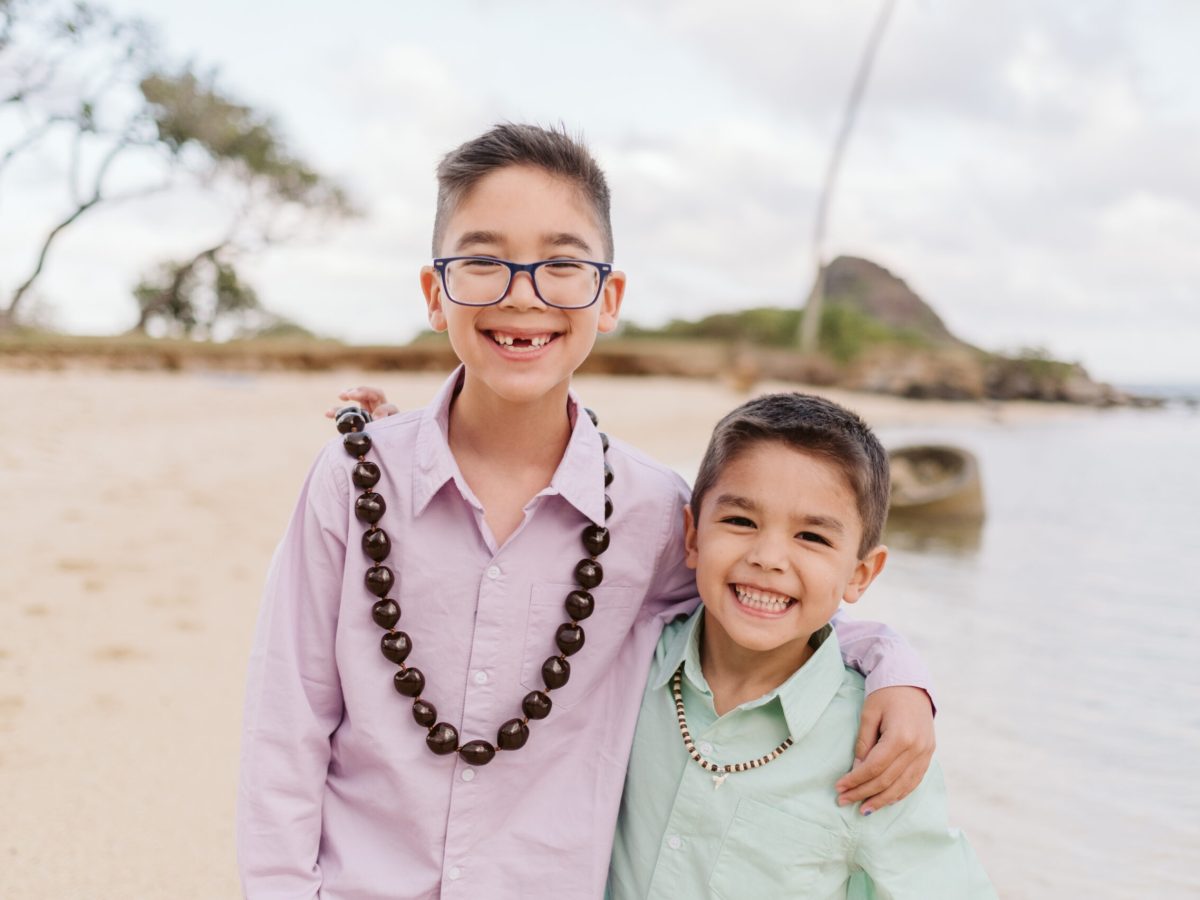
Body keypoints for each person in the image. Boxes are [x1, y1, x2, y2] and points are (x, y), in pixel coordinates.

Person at [238, 123, 936, 899]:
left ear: (609, 299)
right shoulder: (352, 481)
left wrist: (894, 669)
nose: (522, 293)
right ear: (437, 295)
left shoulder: (652, 514)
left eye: (562, 264)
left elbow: (767, 594)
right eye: (483, 260)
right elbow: (286, 727)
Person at [608, 393, 994, 899]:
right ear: (693, 537)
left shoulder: (878, 750)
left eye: (811, 536)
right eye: (741, 521)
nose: (769, 558)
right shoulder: (630, 662)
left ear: (860, 574)